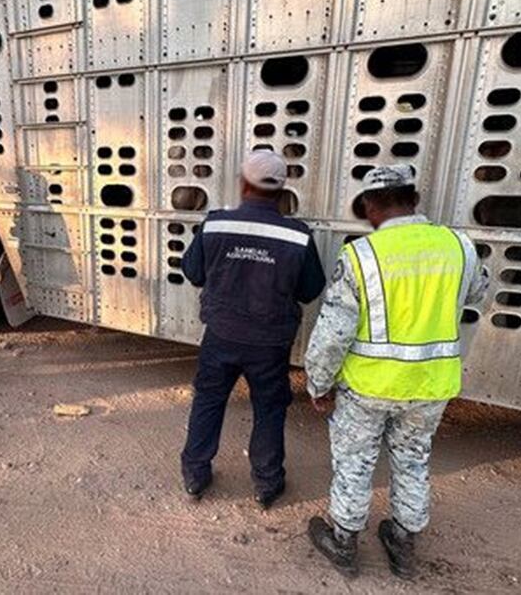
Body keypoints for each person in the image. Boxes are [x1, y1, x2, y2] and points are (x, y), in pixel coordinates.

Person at [304, 164, 489, 579]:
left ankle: (345, 542)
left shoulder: (360, 256)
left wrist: (319, 382)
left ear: (369, 207)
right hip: (431, 384)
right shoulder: (460, 246)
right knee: (413, 459)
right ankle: (403, 543)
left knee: (354, 462)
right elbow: (479, 291)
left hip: (369, 385)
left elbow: (333, 332)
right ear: (415, 200)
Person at [179, 149, 326, 509]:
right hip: (270, 342)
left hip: (221, 334)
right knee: (270, 408)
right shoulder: (298, 235)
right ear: (282, 190)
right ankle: (266, 482)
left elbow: (193, 271)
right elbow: (310, 289)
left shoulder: (215, 224)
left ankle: (195, 475)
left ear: (244, 183)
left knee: (209, 400)